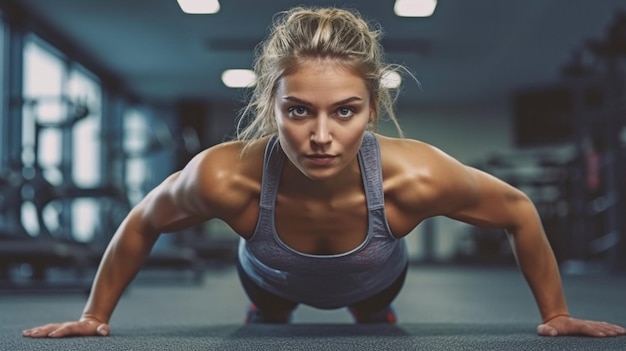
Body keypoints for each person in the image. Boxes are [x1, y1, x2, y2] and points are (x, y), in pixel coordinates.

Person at [23, 6, 625, 338]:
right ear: (271, 107)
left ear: (372, 109)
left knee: (371, 321)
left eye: (344, 111)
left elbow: (518, 209)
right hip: (268, 280)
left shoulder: (414, 176)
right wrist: (93, 316)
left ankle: (371, 314)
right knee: (272, 321)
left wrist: (555, 315)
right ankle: (271, 312)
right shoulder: (223, 177)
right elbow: (141, 221)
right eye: (297, 111)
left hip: (376, 281)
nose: (319, 135)